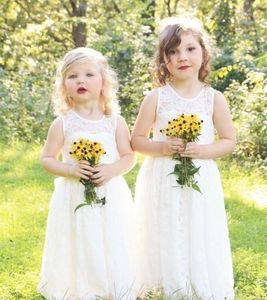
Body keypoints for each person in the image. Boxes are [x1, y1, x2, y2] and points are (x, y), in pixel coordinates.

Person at [131, 17, 236, 299]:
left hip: (201, 175)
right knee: (164, 225)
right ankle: (163, 282)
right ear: (164, 60)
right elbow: (137, 140)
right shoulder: (156, 98)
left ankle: (197, 280)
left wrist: (202, 150)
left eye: (190, 49)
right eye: (173, 52)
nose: (182, 57)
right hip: (162, 176)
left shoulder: (214, 98)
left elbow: (228, 140)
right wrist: (163, 147)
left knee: (197, 225)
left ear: (203, 53)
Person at [38, 47, 137, 300]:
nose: (81, 80)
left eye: (89, 74)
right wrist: (70, 169)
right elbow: (47, 159)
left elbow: (128, 157)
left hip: (110, 192)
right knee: (79, 237)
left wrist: (111, 169)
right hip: (74, 195)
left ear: (103, 82)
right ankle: (81, 286)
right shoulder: (63, 123)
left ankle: (113, 284)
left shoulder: (115, 121)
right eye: (72, 76)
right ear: (64, 86)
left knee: (111, 237)